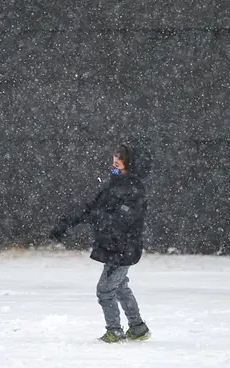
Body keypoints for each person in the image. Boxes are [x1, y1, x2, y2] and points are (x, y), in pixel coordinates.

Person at [50, 143, 151, 343]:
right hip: (113, 247)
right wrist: (66, 224)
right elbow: (91, 207)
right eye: (113, 163)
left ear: (129, 166)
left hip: (123, 249)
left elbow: (121, 220)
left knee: (105, 290)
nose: (113, 167)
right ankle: (138, 327)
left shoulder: (134, 190)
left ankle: (114, 331)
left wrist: (97, 216)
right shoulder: (113, 184)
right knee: (120, 286)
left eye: (118, 164)